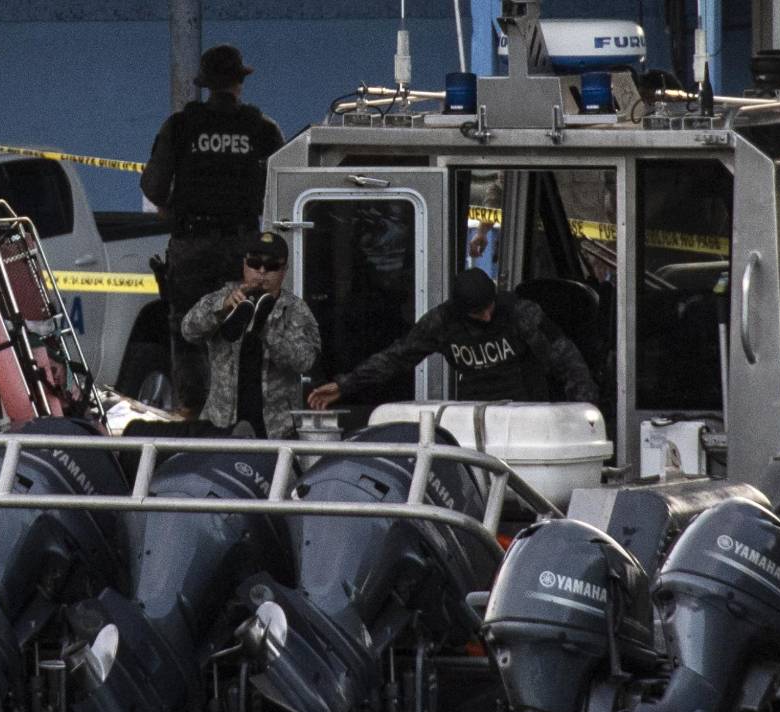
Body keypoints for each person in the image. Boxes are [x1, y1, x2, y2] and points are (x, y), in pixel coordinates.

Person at [140, 44, 285, 418]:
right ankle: (244, 410)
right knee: (246, 327)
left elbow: (154, 185)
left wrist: (172, 205)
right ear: (239, 82)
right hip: (244, 249)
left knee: (189, 327)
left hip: (192, 243)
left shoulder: (180, 126)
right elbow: (281, 188)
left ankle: (191, 408)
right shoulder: (262, 129)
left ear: (205, 84)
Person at [308, 268, 597, 409]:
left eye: (488, 308)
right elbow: (397, 357)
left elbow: (567, 361)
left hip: (528, 412)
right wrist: (346, 385)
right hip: (476, 415)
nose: (486, 317)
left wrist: (584, 410)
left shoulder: (520, 313)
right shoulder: (443, 321)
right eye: (477, 313)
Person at [181, 231, 320, 439]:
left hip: (276, 429)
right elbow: (188, 330)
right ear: (244, 265)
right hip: (222, 425)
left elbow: (305, 361)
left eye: (272, 266)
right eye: (255, 264)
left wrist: (266, 330)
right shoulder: (221, 297)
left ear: (284, 271)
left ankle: (259, 313)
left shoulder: (295, 309)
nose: (262, 272)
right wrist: (222, 308)